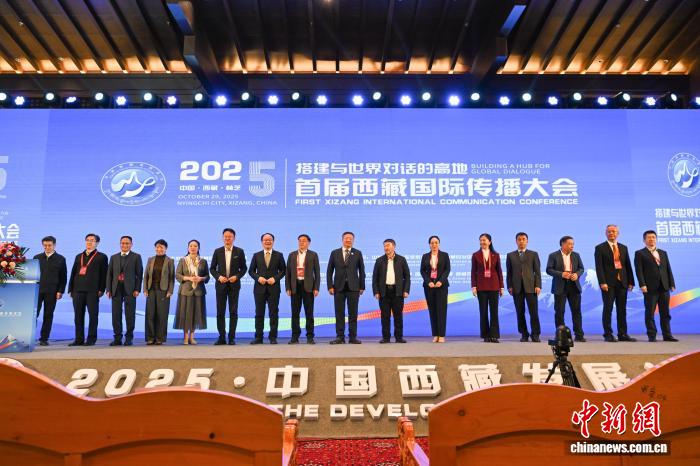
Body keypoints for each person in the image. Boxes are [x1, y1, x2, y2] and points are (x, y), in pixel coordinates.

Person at [594, 225, 636, 342]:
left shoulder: (623, 247)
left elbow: (627, 265)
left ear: (618, 233)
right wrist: (602, 282)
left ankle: (623, 334)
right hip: (608, 284)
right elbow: (599, 267)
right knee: (608, 309)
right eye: (609, 231)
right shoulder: (600, 248)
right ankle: (608, 334)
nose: (611, 233)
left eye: (613, 231)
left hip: (622, 282)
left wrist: (631, 281)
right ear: (605, 233)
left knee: (622, 309)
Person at [634, 230, 678, 342]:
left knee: (665, 313)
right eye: (649, 237)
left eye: (653, 237)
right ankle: (652, 335)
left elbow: (668, 269)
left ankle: (667, 335)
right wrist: (642, 284)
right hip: (650, 288)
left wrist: (672, 283)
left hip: (664, 287)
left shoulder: (663, 253)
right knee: (650, 313)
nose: (651, 239)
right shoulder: (640, 253)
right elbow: (639, 271)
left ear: (656, 239)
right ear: (644, 240)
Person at [67, 233, 108, 346]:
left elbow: (104, 274)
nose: (89, 242)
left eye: (92, 240)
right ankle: (79, 339)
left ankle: (91, 339)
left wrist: (101, 289)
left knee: (93, 316)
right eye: (87, 240)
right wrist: (70, 288)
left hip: (93, 291)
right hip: (77, 290)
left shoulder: (102, 257)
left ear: (97, 243)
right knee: (78, 316)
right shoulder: (78, 256)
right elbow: (73, 273)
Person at [210, 228, 247, 345]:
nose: (227, 238)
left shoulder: (239, 251)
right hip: (220, 285)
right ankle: (221, 337)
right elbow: (212, 269)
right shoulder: (217, 251)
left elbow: (244, 268)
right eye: (225, 236)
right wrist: (218, 277)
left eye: (230, 237)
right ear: (223, 238)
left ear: (234, 238)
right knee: (220, 312)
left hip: (234, 285)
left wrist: (237, 276)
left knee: (233, 312)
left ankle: (231, 337)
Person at [327, 231, 366, 344]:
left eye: (350, 238)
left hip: (354, 288)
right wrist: (330, 286)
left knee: (353, 313)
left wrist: (362, 286)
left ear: (353, 240)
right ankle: (340, 337)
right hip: (338, 287)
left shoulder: (357, 253)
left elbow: (362, 271)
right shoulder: (335, 253)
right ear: (342, 240)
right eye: (346, 238)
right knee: (339, 313)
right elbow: (329, 271)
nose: (348, 240)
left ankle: (352, 337)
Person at [546, 236, 586, 342]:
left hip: (574, 286)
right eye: (569, 244)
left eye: (573, 244)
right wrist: (561, 274)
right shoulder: (553, 255)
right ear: (562, 244)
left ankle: (579, 335)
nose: (572, 246)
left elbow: (581, 268)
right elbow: (549, 270)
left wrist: (577, 274)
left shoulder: (576, 255)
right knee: (559, 311)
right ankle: (561, 335)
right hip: (560, 286)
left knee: (576, 311)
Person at [249, 233, 286, 344]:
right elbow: (251, 271)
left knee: (273, 313)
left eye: (270, 239)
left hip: (274, 288)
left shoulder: (279, 255)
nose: (267, 241)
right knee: (259, 313)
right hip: (259, 289)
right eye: (265, 240)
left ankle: (273, 337)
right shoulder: (256, 255)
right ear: (262, 242)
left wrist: (275, 278)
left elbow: (283, 270)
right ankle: (258, 337)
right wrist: (258, 277)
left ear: (273, 241)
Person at [106, 236, 143, 346]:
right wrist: (108, 289)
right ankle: (117, 338)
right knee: (116, 314)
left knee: (130, 314)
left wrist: (137, 289)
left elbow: (139, 275)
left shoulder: (136, 257)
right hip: (116, 288)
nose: (124, 245)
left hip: (130, 289)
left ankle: (129, 338)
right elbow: (109, 275)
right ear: (120, 244)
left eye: (127, 243)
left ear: (131, 244)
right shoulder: (114, 257)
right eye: (122, 243)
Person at [372, 239, 410, 343]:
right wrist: (376, 291)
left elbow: (407, 277)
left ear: (394, 246)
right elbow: (375, 278)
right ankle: (386, 337)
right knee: (385, 316)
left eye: (388, 245)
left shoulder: (401, 259)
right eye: (384, 246)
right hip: (384, 292)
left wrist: (406, 290)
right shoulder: (379, 260)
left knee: (398, 316)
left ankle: (399, 337)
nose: (386, 248)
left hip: (398, 292)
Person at [506, 232, 542, 343]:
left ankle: (535, 334)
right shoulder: (510, 255)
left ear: (527, 241)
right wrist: (509, 286)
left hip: (531, 287)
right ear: (516, 241)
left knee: (533, 312)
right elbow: (509, 273)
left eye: (523, 239)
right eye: (519, 239)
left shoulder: (533, 254)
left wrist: (538, 285)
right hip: (516, 288)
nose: (521, 241)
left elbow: (537, 272)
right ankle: (524, 334)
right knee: (519, 312)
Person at [285, 234, 320, 345]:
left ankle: (310, 336)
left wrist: (316, 287)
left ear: (309, 243)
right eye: (300, 241)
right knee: (295, 313)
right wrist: (288, 287)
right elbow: (288, 273)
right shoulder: (292, 255)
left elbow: (317, 273)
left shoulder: (313, 255)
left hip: (308, 287)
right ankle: (295, 337)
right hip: (295, 287)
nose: (301, 242)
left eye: (304, 241)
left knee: (309, 313)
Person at [174, 239, 209, 345]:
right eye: (191, 246)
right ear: (188, 248)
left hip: (198, 291)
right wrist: (189, 278)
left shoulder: (203, 261)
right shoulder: (183, 260)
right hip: (185, 291)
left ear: (198, 248)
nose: (193, 248)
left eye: (195, 246)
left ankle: (192, 337)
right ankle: (185, 337)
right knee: (185, 314)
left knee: (196, 314)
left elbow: (207, 276)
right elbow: (177, 275)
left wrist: (201, 278)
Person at [34, 236, 67, 346]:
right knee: (34, 314)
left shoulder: (61, 259)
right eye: (45, 245)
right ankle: (30, 337)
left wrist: (60, 291)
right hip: (37, 291)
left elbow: (63, 277)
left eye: (49, 245)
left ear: (54, 245)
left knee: (48, 315)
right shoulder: (37, 258)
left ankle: (44, 338)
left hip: (52, 291)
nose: (47, 247)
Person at [471, 233, 505, 343]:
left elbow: (499, 271)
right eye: (481, 240)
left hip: (494, 286)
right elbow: (473, 272)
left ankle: (494, 335)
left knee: (494, 312)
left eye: (484, 240)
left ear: (490, 242)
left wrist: (501, 287)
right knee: (483, 311)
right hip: (481, 287)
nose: (482, 242)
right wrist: (474, 286)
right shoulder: (475, 255)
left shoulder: (496, 255)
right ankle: (485, 335)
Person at [143, 239, 175, 345]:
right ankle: (150, 337)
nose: (159, 249)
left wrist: (170, 291)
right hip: (151, 290)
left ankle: (160, 338)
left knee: (162, 315)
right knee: (150, 314)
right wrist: (145, 289)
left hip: (164, 291)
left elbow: (171, 278)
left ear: (166, 249)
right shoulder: (150, 259)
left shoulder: (170, 261)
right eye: (157, 247)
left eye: (161, 247)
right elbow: (146, 276)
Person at [420, 236, 450, 343]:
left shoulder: (444, 255)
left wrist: (440, 281)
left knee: (441, 310)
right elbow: (422, 271)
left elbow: (447, 269)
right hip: (429, 287)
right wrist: (428, 282)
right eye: (432, 243)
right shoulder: (425, 256)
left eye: (436, 242)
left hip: (441, 286)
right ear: (429, 244)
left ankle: (441, 335)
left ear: (439, 244)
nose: (434, 245)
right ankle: (435, 334)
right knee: (432, 310)